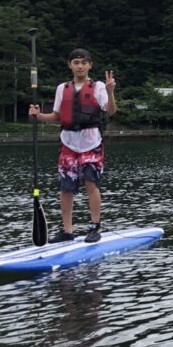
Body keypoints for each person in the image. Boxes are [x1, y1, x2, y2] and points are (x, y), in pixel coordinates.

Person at [28, 48, 117, 242]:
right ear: (70, 65)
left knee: (90, 183)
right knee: (66, 187)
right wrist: (39, 115)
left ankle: (94, 227)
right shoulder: (63, 88)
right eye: (76, 62)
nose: (80, 66)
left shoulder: (99, 86)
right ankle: (67, 231)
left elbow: (110, 111)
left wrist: (110, 93)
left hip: (91, 141)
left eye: (84, 62)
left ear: (90, 66)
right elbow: (57, 116)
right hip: (68, 142)